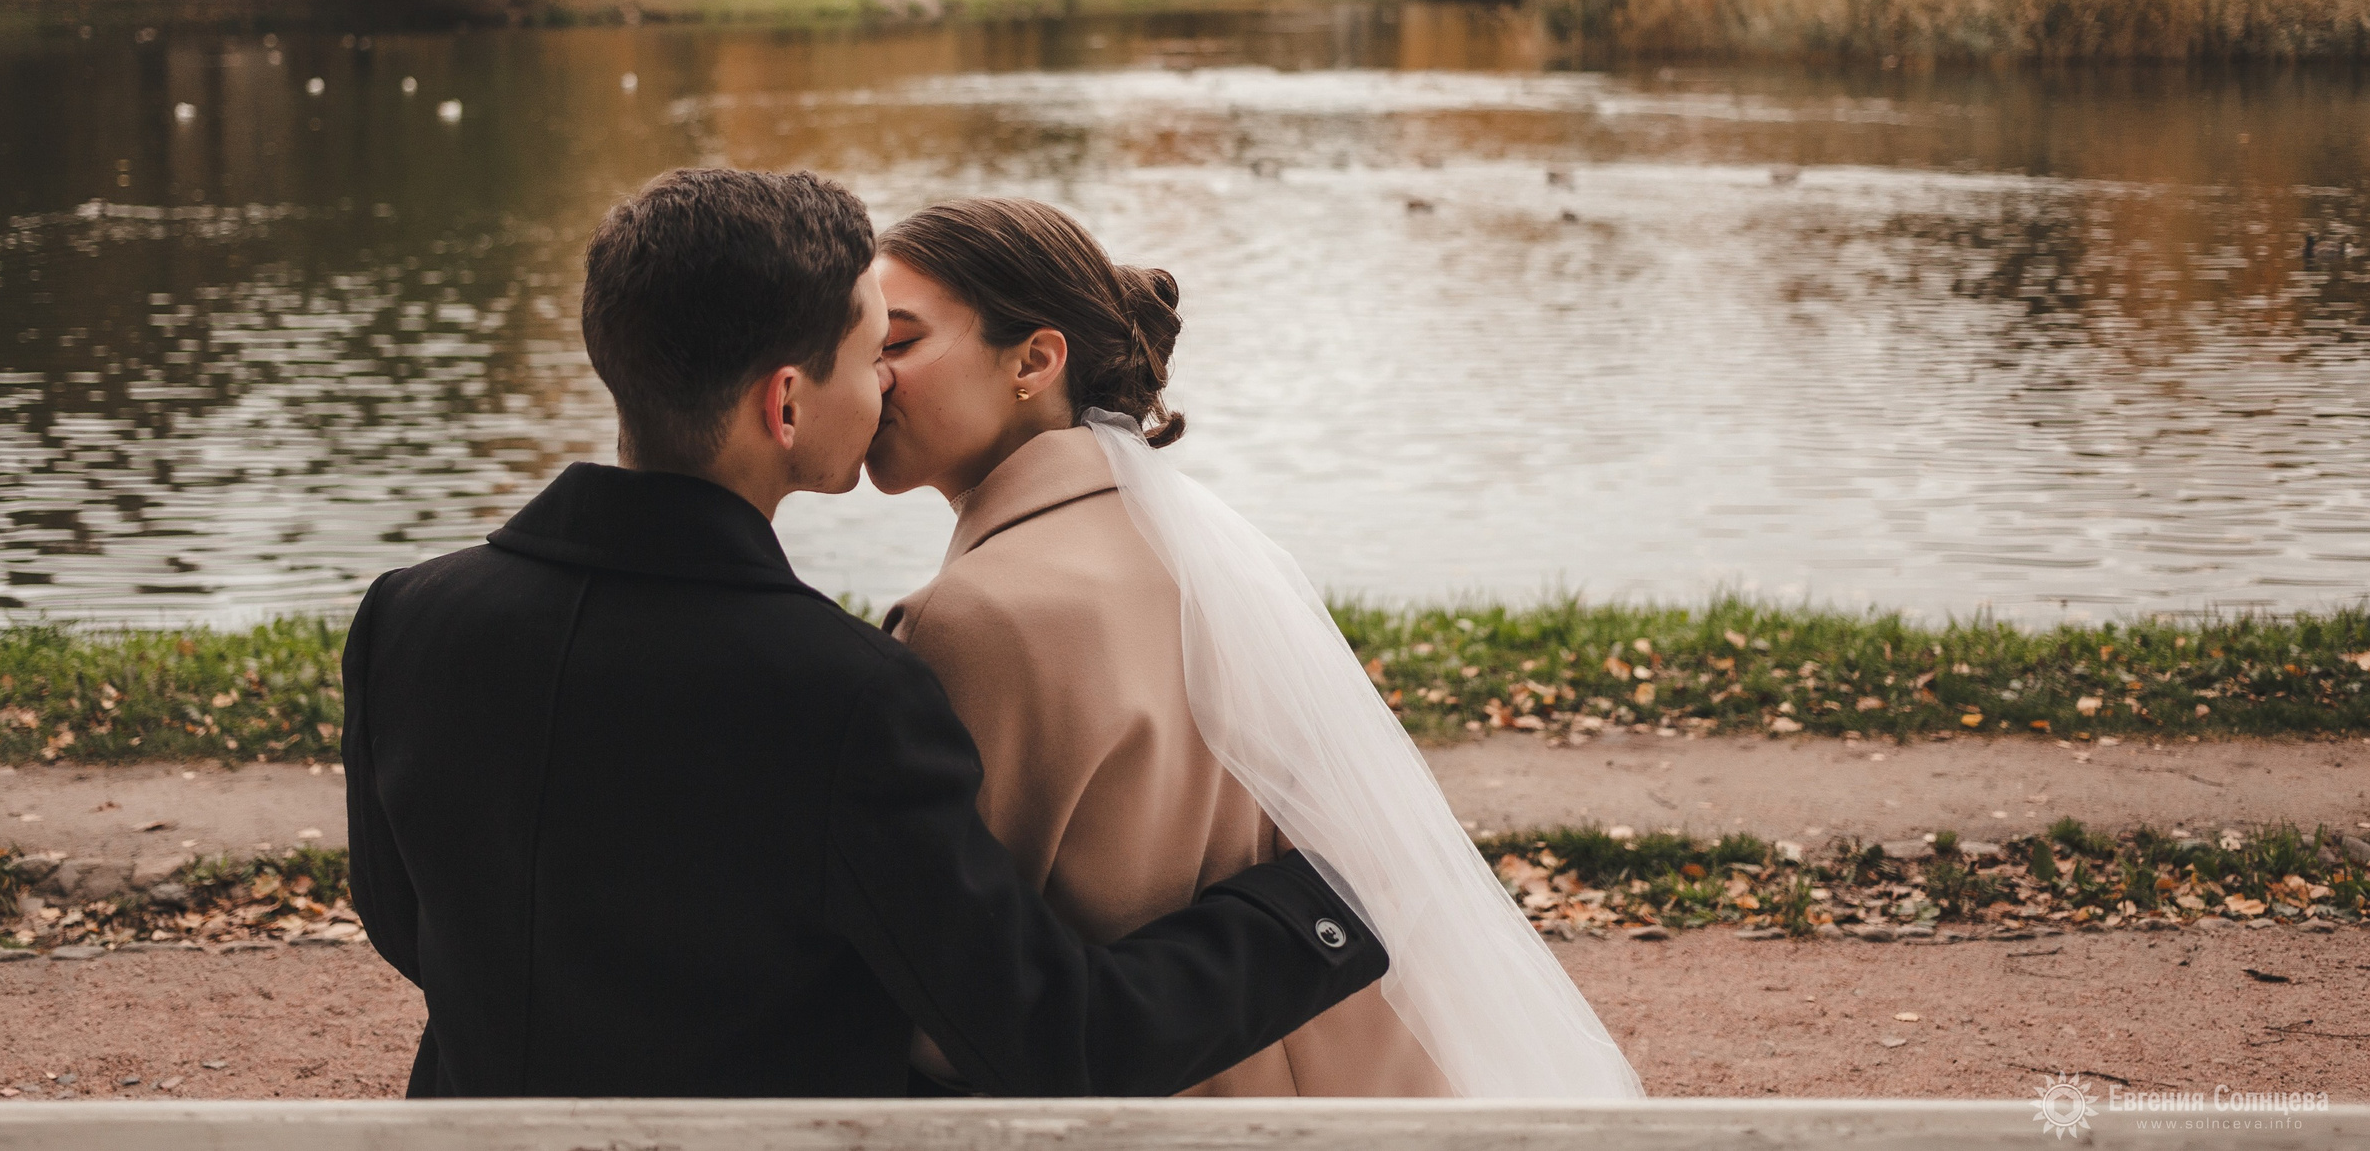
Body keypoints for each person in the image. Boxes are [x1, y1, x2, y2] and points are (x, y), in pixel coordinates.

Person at [342, 168, 1388, 1098]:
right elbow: (1054, 1036)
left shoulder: (407, 616)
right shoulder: (848, 695)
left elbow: (403, 919)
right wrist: (1322, 909)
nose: (884, 383)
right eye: (867, 354)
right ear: (786, 405)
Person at [869, 197, 1642, 1099]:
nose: (867, 377)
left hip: (1136, 1101)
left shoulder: (969, 617)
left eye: (898, 343)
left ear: (1036, 361)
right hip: (1330, 1084)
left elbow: (945, 992)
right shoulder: (1205, 551)